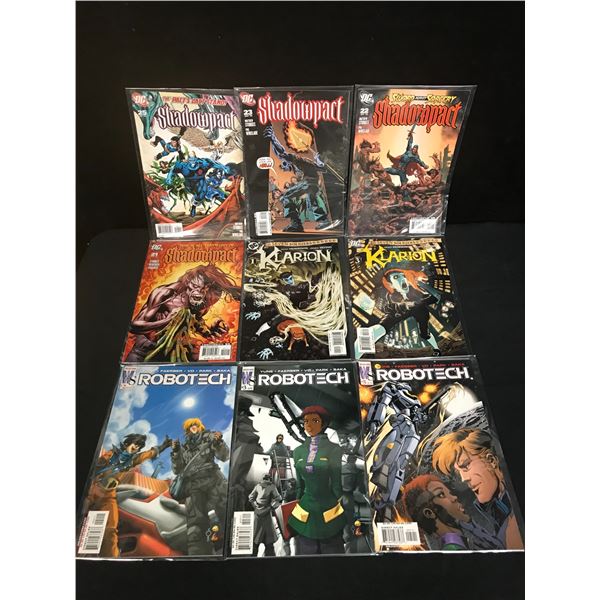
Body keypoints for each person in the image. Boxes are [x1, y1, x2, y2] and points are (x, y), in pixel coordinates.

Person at [431, 428, 524, 549]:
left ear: (491, 460)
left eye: (466, 466)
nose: (464, 479)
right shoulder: (500, 513)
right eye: (458, 472)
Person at [85, 433, 171, 557]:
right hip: (92, 489)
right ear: (127, 443)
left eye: (139, 446)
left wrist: (163, 446)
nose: (136, 447)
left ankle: (112, 558)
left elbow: (147, 454)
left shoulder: (131, 460)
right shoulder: (111, 454)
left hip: (108, 495)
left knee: (110, 529)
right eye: (135, 444)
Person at [288, 406, 346, 555]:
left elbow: (336, 483)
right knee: (305, 551)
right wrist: (295, 502)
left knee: (332, 550)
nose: (309, 425)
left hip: (328, 504)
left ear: (323, 423)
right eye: (306, 421)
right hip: (305, 505)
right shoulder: (298, 451)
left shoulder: (334, 449)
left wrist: (339, 502)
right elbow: (300, 485)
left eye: (314, 421)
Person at [171, 417, 230, 555]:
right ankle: (198, 556)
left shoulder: (209, 437)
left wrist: (218, 442)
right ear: (187, 430)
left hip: (213, 479)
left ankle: (226, 546)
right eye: (190, 426)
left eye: (195, 425)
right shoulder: (185, 447)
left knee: (224, 512)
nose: (193, 427)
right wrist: (176, 452)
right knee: (196, 525)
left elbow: (225, 456)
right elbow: (177, 470)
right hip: (194, 485)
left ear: (200, 426)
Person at [402, 474, 504, 551]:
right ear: (429, 513)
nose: (454, 497)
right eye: (441, 494)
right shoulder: (456, 550)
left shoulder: (469, 540)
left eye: (450, 493)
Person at [248, 473, 282, 556]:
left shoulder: (259, 486)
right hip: (264, 513)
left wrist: (256, 506)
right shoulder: (270, 486)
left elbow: (251, 498)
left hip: (262, 514)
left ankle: (254, 558)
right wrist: (270, 507)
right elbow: (278, 499)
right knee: (266, 542)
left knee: (260, 541)